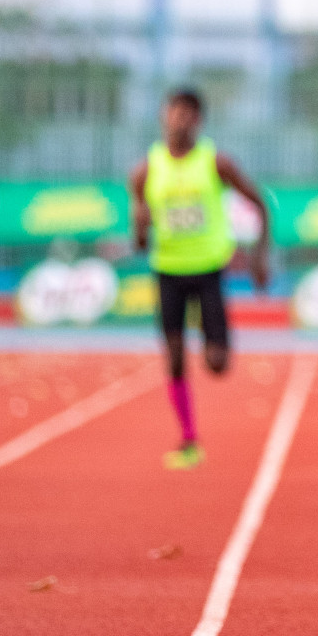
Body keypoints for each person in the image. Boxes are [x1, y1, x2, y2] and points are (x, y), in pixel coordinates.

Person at [129, 88, 271, 470]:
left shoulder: (216, 163)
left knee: (217, 363)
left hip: (208, 269)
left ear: (198, 121)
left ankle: (210, 330)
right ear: (162, 115)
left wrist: (259, 255)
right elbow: (139, 241)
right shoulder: (145, 171)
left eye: (187, 114)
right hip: (168, 270)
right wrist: (140, 229)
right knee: (174, 358)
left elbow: (258, 202)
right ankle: (188, 438)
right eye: (173, 112)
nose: (178, 120)